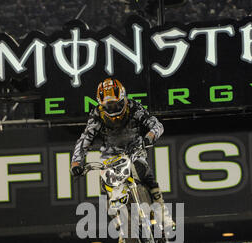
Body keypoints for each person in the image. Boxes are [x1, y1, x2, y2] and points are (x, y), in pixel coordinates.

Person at [70, 77, 174, 229]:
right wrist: (76, 162)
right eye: (108, 106)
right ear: (101, 104)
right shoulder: (97, 115)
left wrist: (150, 136)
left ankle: (164, 214)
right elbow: (85, 139)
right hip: (110, 156)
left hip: (135, 150)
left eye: (116, 104)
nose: (113, 109)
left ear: (123, 99)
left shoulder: (133, 107)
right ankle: (119, 224)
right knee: (104, 186)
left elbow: (156, 124)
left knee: (144, 172)